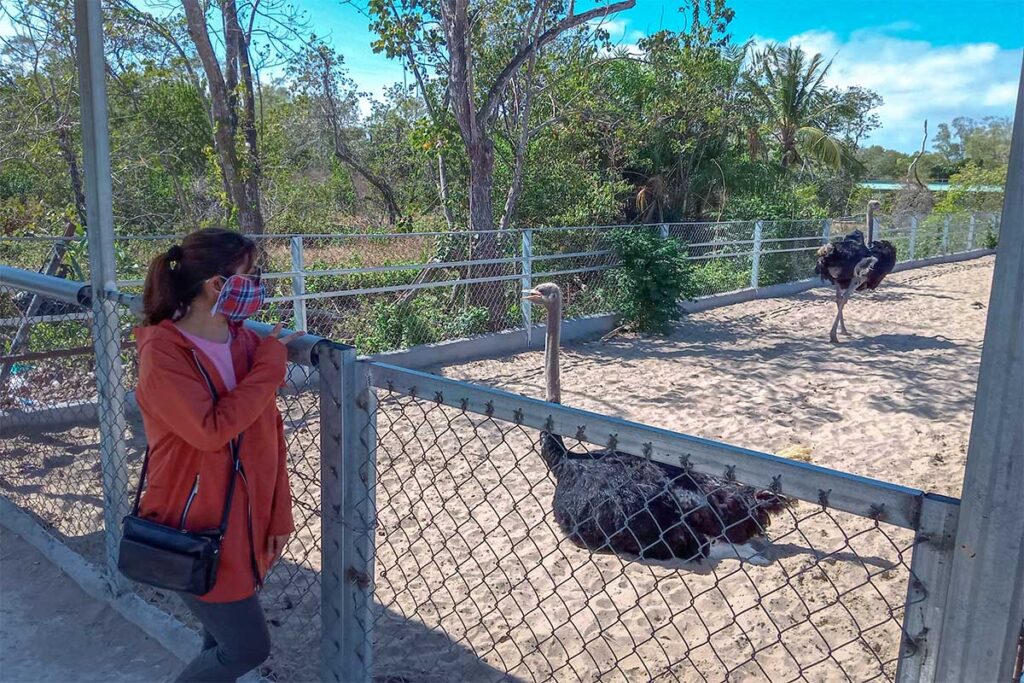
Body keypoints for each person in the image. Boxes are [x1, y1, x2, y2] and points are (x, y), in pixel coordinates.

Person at [134, 228, 304, 681]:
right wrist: (271, 366)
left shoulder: (244, 342)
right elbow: (210, 430)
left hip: (244, 522)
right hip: (194, 523)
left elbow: (269, 435)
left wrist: (277, 514)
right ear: (216, 285)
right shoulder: (164, 354)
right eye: (250, 276)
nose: (258, 287)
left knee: (219, 639)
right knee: (247, 647)